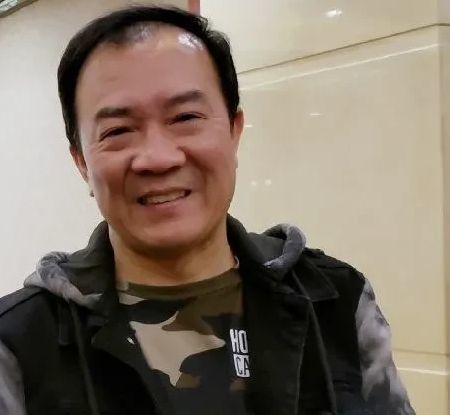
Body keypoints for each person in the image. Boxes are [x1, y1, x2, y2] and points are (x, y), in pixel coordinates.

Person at [0, 6, 415, 415]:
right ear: (81, 163)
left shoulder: (334, 300)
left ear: (234, 131)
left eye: (185, 116)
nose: (158, 157)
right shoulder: (19, 344)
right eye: (118, 130)